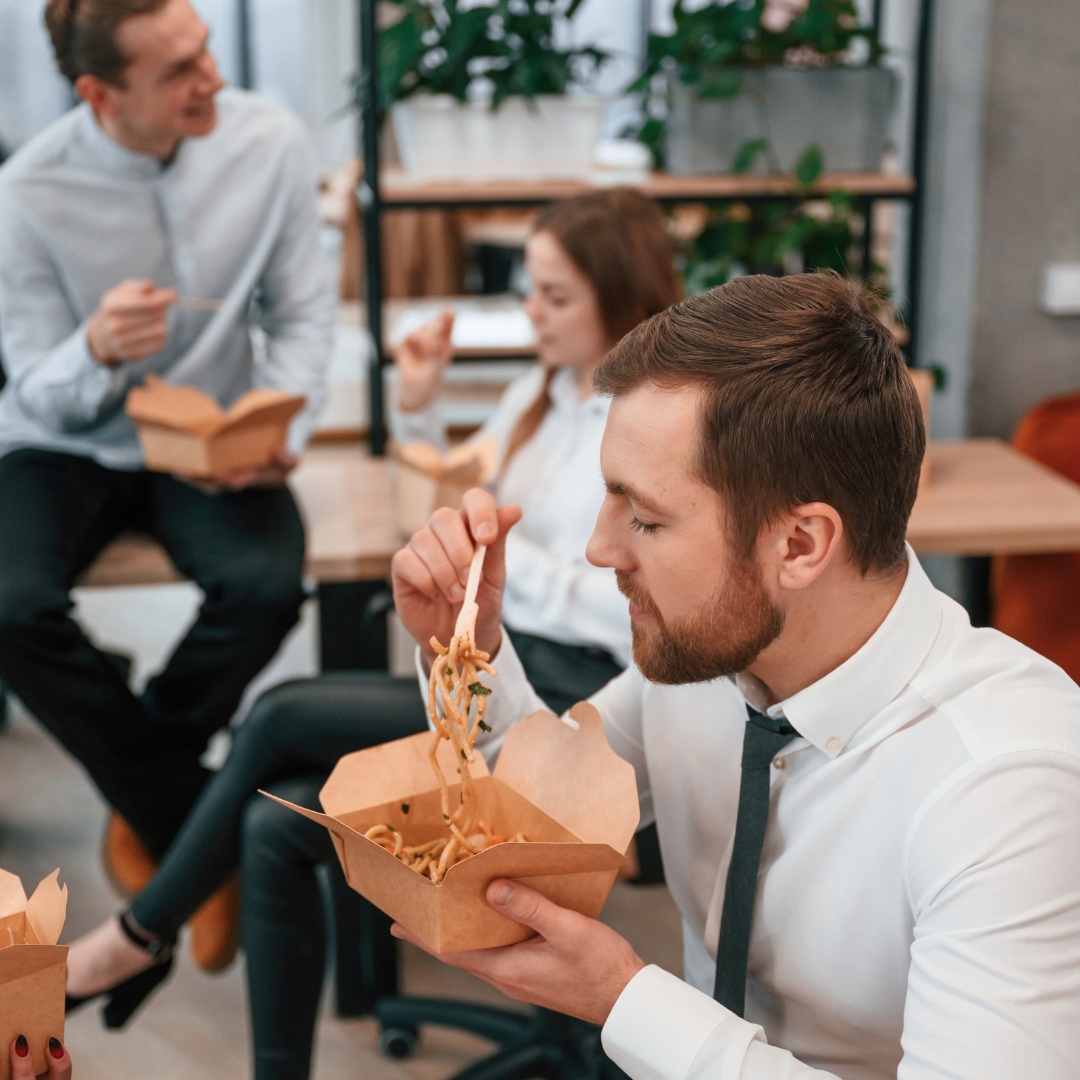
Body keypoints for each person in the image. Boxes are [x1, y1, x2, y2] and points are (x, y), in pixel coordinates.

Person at [387, 273, 1080, 1079]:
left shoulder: (1008, 783)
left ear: (799, 545)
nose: (600, 549)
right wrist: (462, 644)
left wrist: (624, 1001)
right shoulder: (704, 667)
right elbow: (527, 827)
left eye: (644, 517)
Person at [63, 189, 681, 1074]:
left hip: (574, 691)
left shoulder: (649, 422)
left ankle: (134, 938)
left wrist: (504, 573)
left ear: (620, 296)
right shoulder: (538, 392)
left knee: (279, 715)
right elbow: (461, 492)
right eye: (530, 291)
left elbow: (614, 597)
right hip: (500, 660)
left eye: (554, 296)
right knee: (275, 825)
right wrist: (422, 406)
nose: (530, 313)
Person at [0, 0, 335, 959]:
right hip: (69, 440)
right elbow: (36, 386)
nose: (214, 81)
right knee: (7, 606)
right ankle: (191, 821)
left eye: (207, 52)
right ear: (99, 93)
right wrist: (97, 348)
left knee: (268, 588)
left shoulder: (269, 141)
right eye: (180, 71)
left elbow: (304, 314)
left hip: (212, 431)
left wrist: (280, 421)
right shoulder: (27, 191)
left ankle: (147, 787)